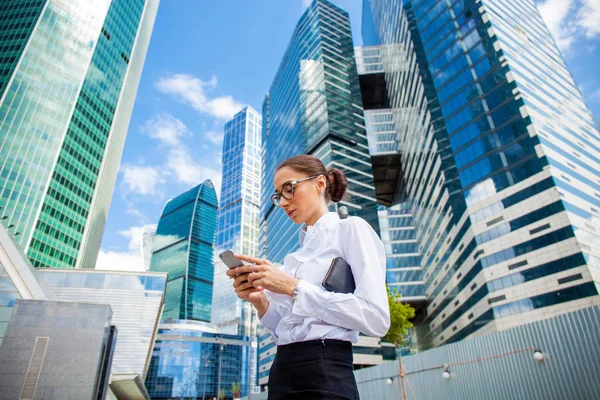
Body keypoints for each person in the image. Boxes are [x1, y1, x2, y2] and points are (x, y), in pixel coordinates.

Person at [226, 155, 390, 400]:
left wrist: (293, 288)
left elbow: (377, 319)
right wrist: (261, 302)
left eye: (289, 189)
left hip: (326, 371)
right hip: (281, 371)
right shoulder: (294, 259)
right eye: (278, 195)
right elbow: (286, 331)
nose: (282, 202)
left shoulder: (351, 229)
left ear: (320, 184)